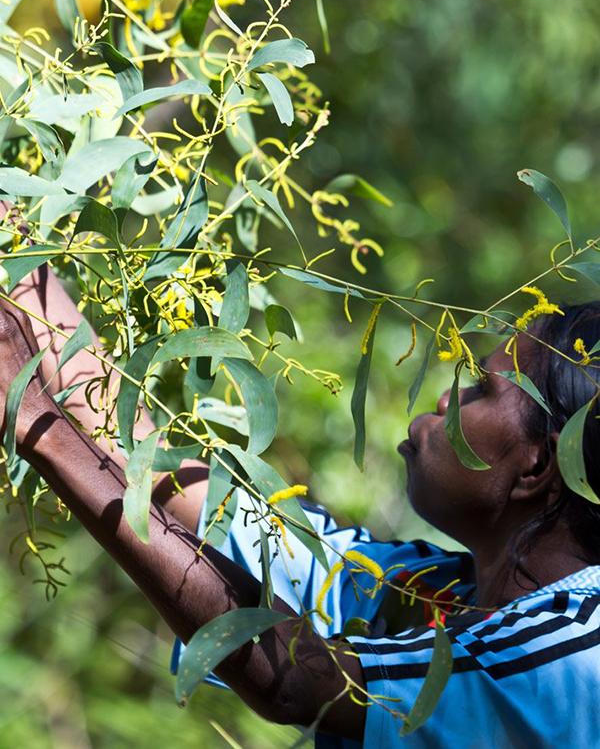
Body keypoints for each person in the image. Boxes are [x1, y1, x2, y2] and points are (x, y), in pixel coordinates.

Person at [1, 264, 600, 748]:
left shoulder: (572, 664)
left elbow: (297, 678)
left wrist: (37, 428)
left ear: (539, 466)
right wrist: (20, 267)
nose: (446, 394)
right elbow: (176, 489)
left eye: (480, 388)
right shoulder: (422, 594)